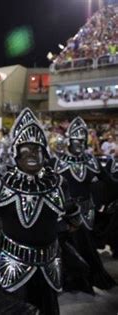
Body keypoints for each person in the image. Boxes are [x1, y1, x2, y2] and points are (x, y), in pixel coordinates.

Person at [0, 108, 79, 315]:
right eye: (25, 149)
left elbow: (70, 210)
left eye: (37, 149)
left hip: (49, 263)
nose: (32, 154)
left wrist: (74, 217)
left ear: (45, 152)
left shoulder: (58, 183)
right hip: (12, 264)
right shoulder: (5, 185)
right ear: (16, 153)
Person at [53, 117, 116, 290]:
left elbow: (109, 181)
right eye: (76, 141)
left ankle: (88, 278)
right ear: (69, 141)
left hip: (87, 209)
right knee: (66, 245)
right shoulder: (57, 163)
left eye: (82, 141)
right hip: (64, 211)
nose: (79, 144)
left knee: (85, 244)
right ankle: (69, 280)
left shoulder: (92, 161)